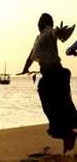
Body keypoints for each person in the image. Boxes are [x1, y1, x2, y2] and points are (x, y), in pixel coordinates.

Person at [19, 13, 77, 153]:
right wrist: (25, 68)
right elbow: (31, 55)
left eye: (41, 22)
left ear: (44, 23)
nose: (38, 24)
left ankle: (67, 137)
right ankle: (67, 141)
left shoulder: (48, 32)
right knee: (58, 110)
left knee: (61, 108)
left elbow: (56, 33)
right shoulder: (38, 38)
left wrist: (62, 32)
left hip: (56, 75)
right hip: (49, 75)